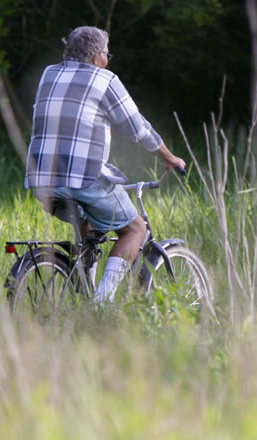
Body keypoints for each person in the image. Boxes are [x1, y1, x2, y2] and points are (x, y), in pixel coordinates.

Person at [24, 25, 186, 303]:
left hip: (41, 179)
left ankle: (83, 287)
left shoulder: (48, 74)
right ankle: (102, 306)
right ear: (98, 56)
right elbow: (138, 129)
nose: (108, 60)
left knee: (90, 224)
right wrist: (170, 158)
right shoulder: (105, 79)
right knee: (135, 229)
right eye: (108, 54)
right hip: (83, 179)